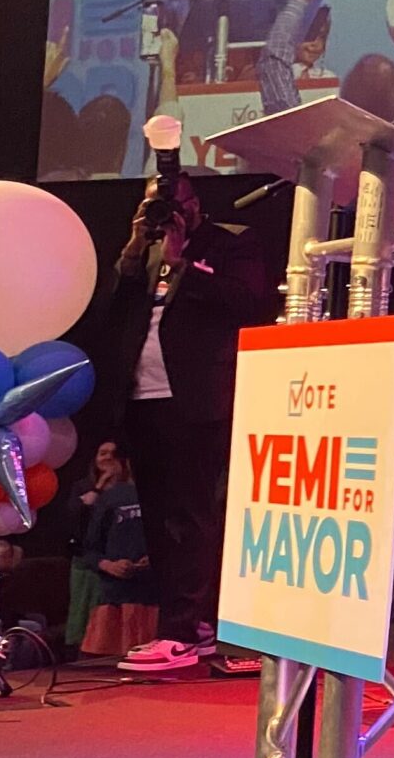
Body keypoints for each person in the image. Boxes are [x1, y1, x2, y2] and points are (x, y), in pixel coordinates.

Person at [98, 168, 270, 672]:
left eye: (176, 202)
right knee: (160, 519)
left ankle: (189, 630)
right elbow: (114, 310)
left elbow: (245, 301)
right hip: (143, 398)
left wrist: (183, 263)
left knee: (195, 516)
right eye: (153, 203)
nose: (168, 212)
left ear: (196, 203)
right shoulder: (144, 250)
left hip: (199, 401)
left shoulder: (229, 243)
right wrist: (135, 247)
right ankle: (184, 629)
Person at [68, 440, 150, 655]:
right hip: (107, 582)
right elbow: (85, 541)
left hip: (147, 588)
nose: (108, 459)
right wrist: (107, 565)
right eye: (102, 453)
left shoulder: (151, 493)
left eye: (113, 455)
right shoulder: (91, 491)